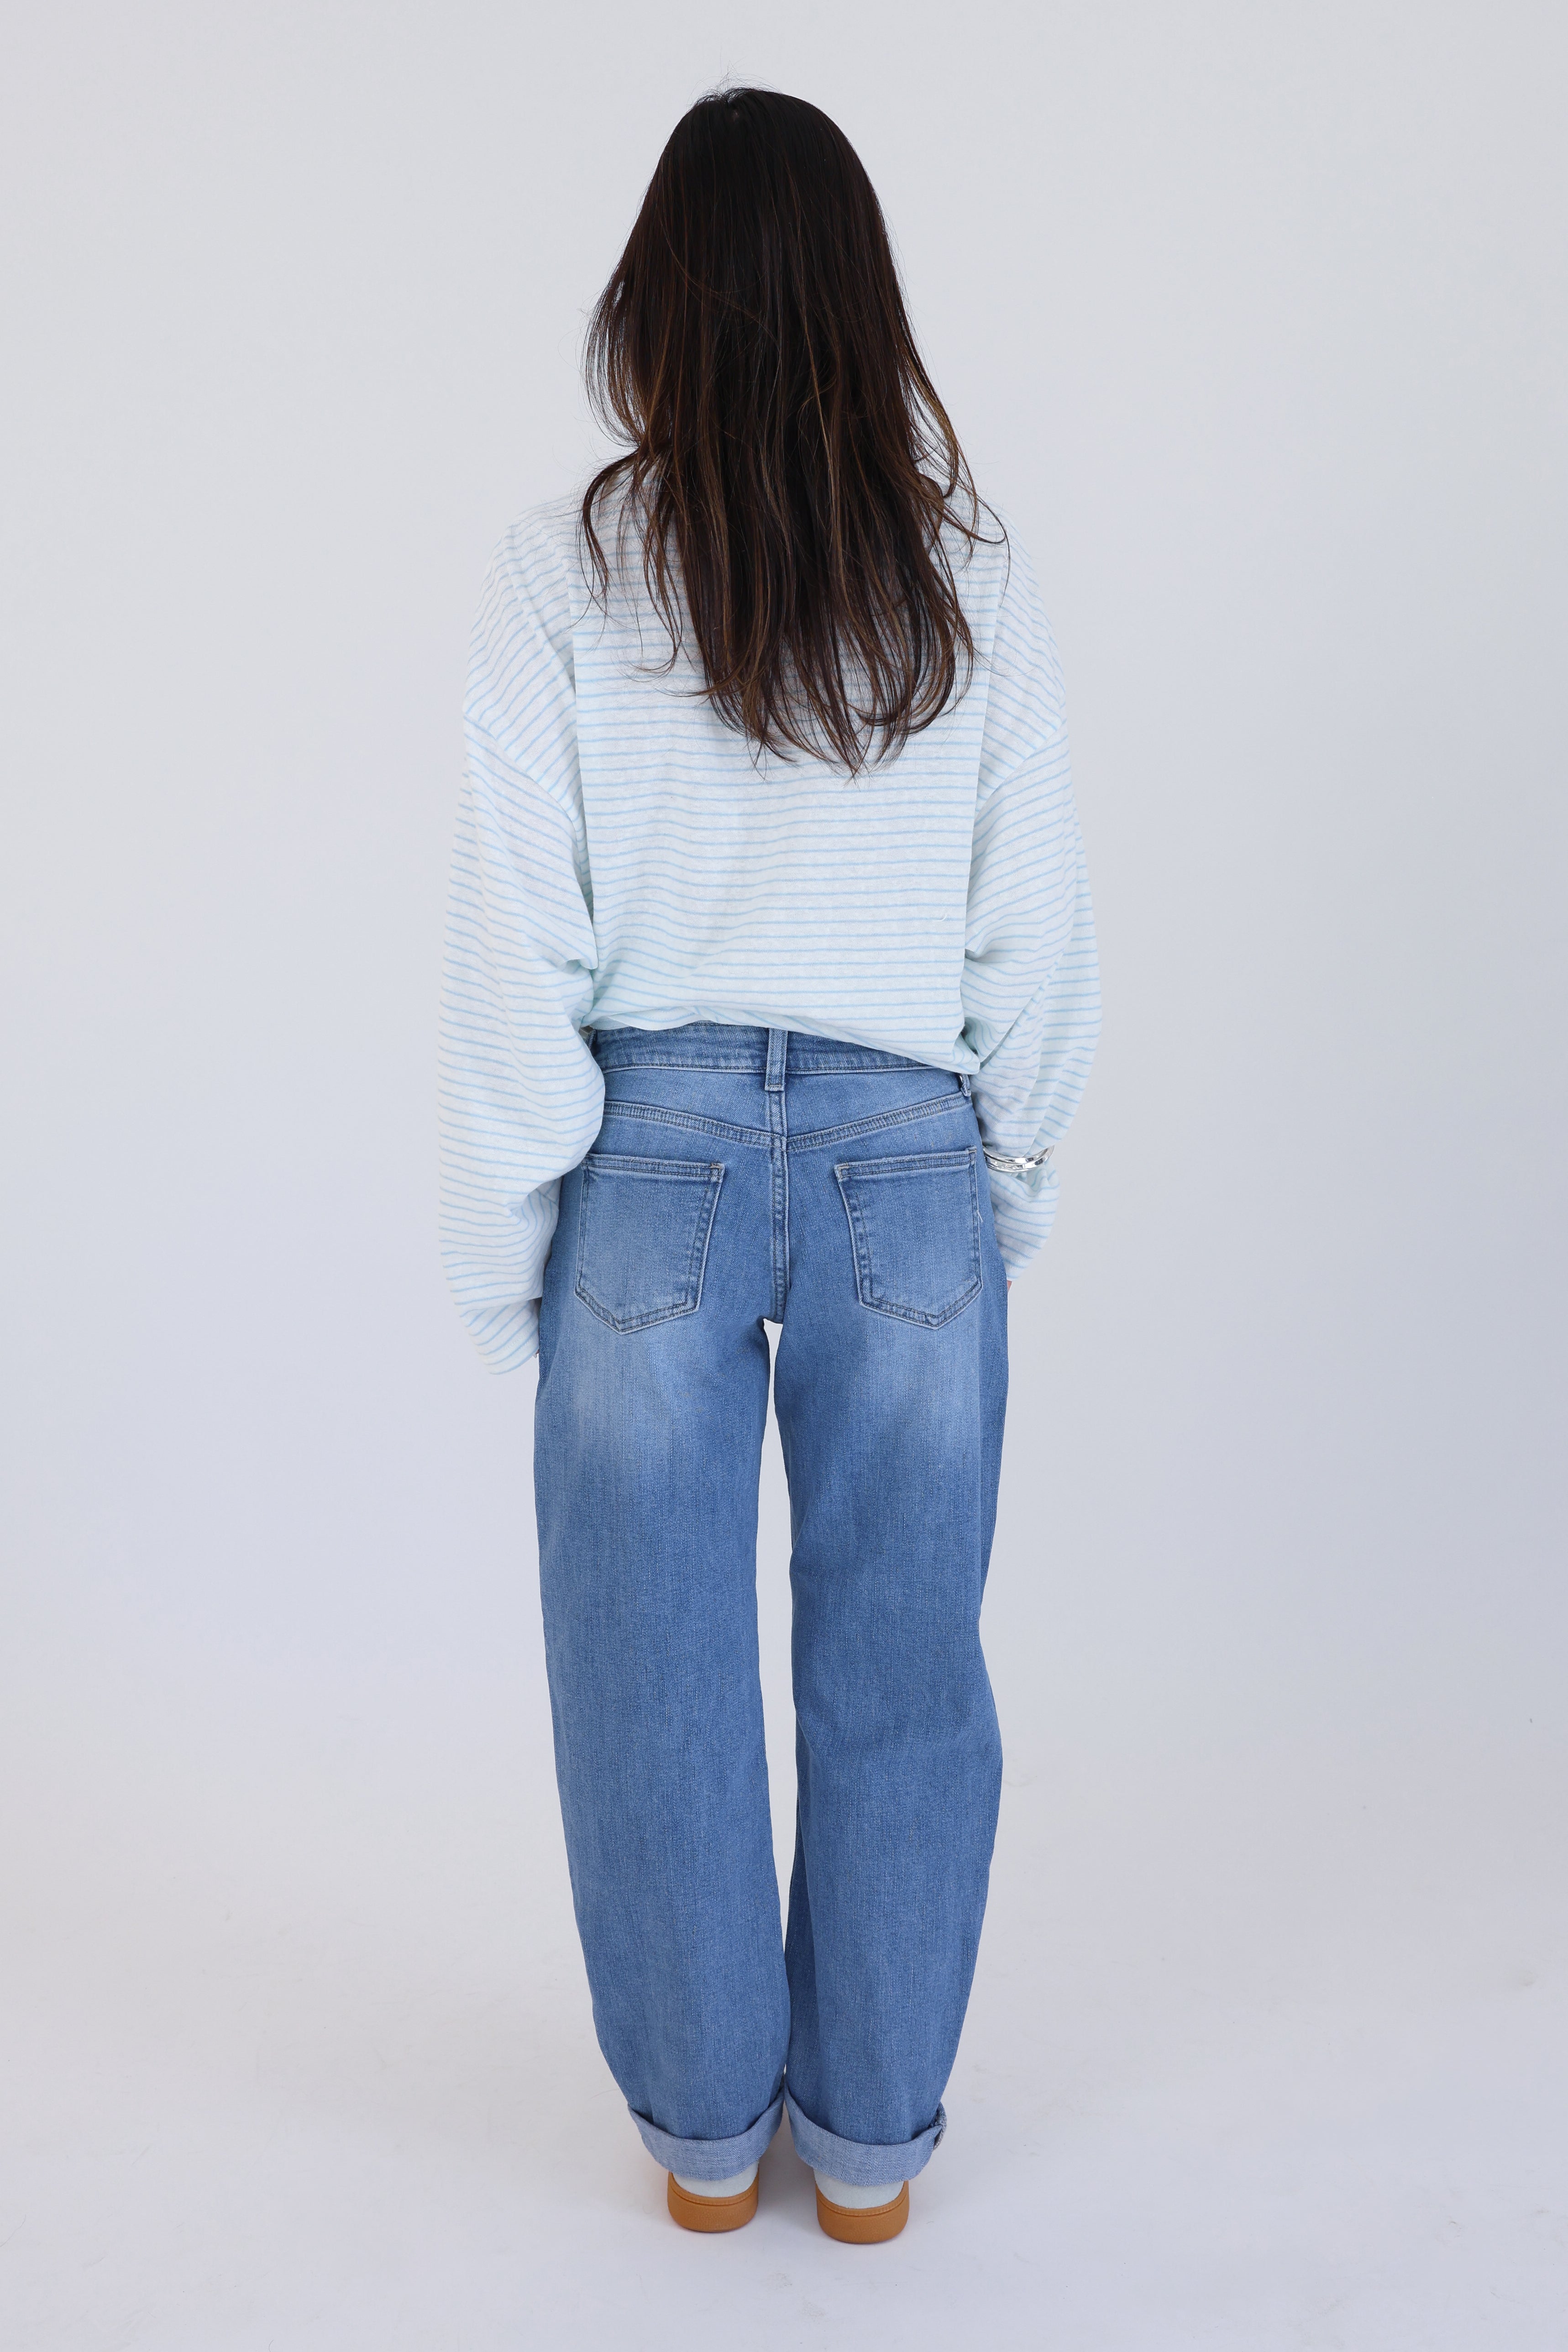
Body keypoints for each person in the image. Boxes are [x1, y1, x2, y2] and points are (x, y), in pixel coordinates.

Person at [438, 86, 1099, 2244]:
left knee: (647, 1663)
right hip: (914, 1160)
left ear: (655, 305)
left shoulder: (566, 568)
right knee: (908, 1656)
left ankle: (711, 2141)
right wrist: (991, 1203)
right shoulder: (964, 575)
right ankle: (878, 2153)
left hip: (654, 1158)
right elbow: (1037, 937)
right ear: (861, 312)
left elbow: (513, 934)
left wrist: (502, 1253)